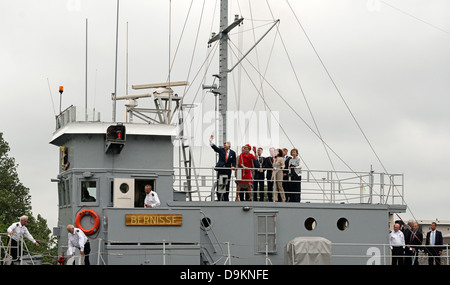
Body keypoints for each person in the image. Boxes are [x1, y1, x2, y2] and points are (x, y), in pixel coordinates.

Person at [210, 135, 236, 201]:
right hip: (221, 169)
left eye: (225, 145)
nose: (224, 146)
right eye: (224, 145)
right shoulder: (221, 150)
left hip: (228, 170)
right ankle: (219, 197)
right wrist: (211, 142)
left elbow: (234, 161)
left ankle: (226, 197)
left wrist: (233, 166)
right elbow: (215, 148)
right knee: (219, 182)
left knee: (227, 183)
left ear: (229, 146)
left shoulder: (233, 153)